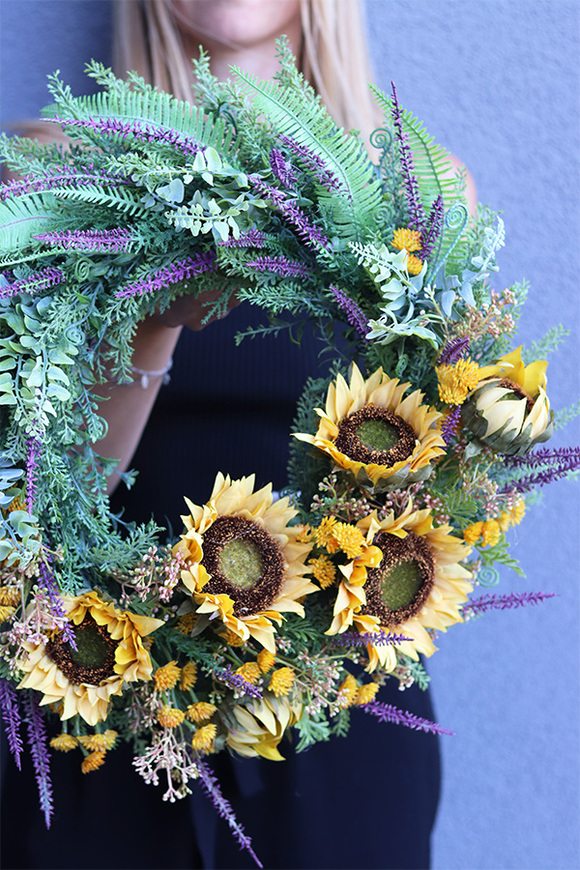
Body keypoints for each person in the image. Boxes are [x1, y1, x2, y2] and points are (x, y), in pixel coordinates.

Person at [1, 2, 476, 868]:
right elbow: (26, 504)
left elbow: (443, 498)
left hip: (334, 728)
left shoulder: (418, 195)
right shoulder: (41, 180)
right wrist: (151, 326)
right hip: (95, 721)